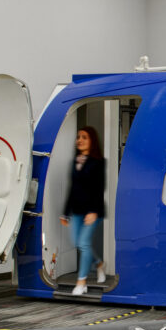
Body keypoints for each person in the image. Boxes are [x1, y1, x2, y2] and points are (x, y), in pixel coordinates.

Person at [60, 126, 106, 296]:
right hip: (77, 211)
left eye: (84, 137)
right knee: (77, 243)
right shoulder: (75, 161)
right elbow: (72, 188)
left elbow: (99, 188)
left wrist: (93, 211)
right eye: (78, 136)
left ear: (92, 140)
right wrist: (65, 212)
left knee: (84, 244)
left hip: (94, 211)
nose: (79, 140)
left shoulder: (99, 162)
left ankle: (82, 282)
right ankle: (99, 263)